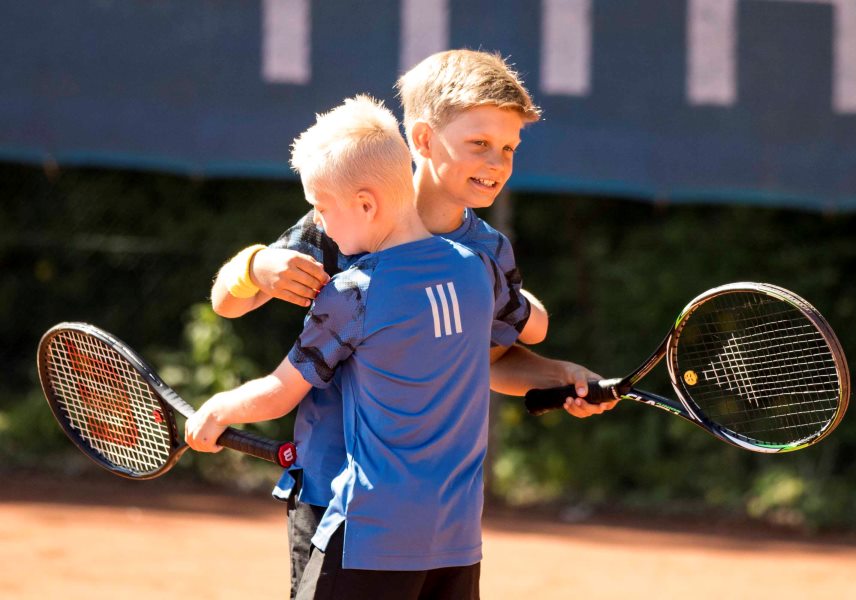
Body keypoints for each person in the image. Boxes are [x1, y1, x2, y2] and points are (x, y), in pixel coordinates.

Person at [209, 49, 618, 594]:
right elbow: (225, 304)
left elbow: (489, 362)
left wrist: (556, 374)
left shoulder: (487, 254)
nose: (496, 163)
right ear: (422, 140)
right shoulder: (347, 215)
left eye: (508, 149)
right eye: (479, 144)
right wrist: (256, 267)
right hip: (332, 500)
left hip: (432, 524)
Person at [187, 94, 510, 599]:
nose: (320, 225)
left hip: (367, 536)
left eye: (321, 208)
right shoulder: (476, 270)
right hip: (457, 541)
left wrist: (217, 409)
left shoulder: (353, 291)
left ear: (366, 203)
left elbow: (279, 391)